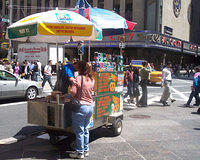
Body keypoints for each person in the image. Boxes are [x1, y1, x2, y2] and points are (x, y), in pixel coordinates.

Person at [69, 61, 95, 159]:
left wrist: (72, 83)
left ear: (80, 69)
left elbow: (73, 92)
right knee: (85, 130)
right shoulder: (92, 79)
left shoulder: (79, 78)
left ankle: (79, 153)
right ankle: (86, 150)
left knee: (79, 131)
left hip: (81, 107)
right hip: (89, 107)